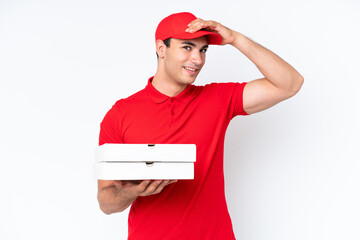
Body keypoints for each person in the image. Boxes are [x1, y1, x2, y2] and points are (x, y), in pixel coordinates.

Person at [97, 12, 303, 240]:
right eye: (187, 47)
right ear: (161, 49)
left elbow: (290, 84)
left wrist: (236, 39)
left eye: (203, 50)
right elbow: (106, 202)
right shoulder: (120, 114)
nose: (198, 59)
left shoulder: (218, 99)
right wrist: (129, 193)